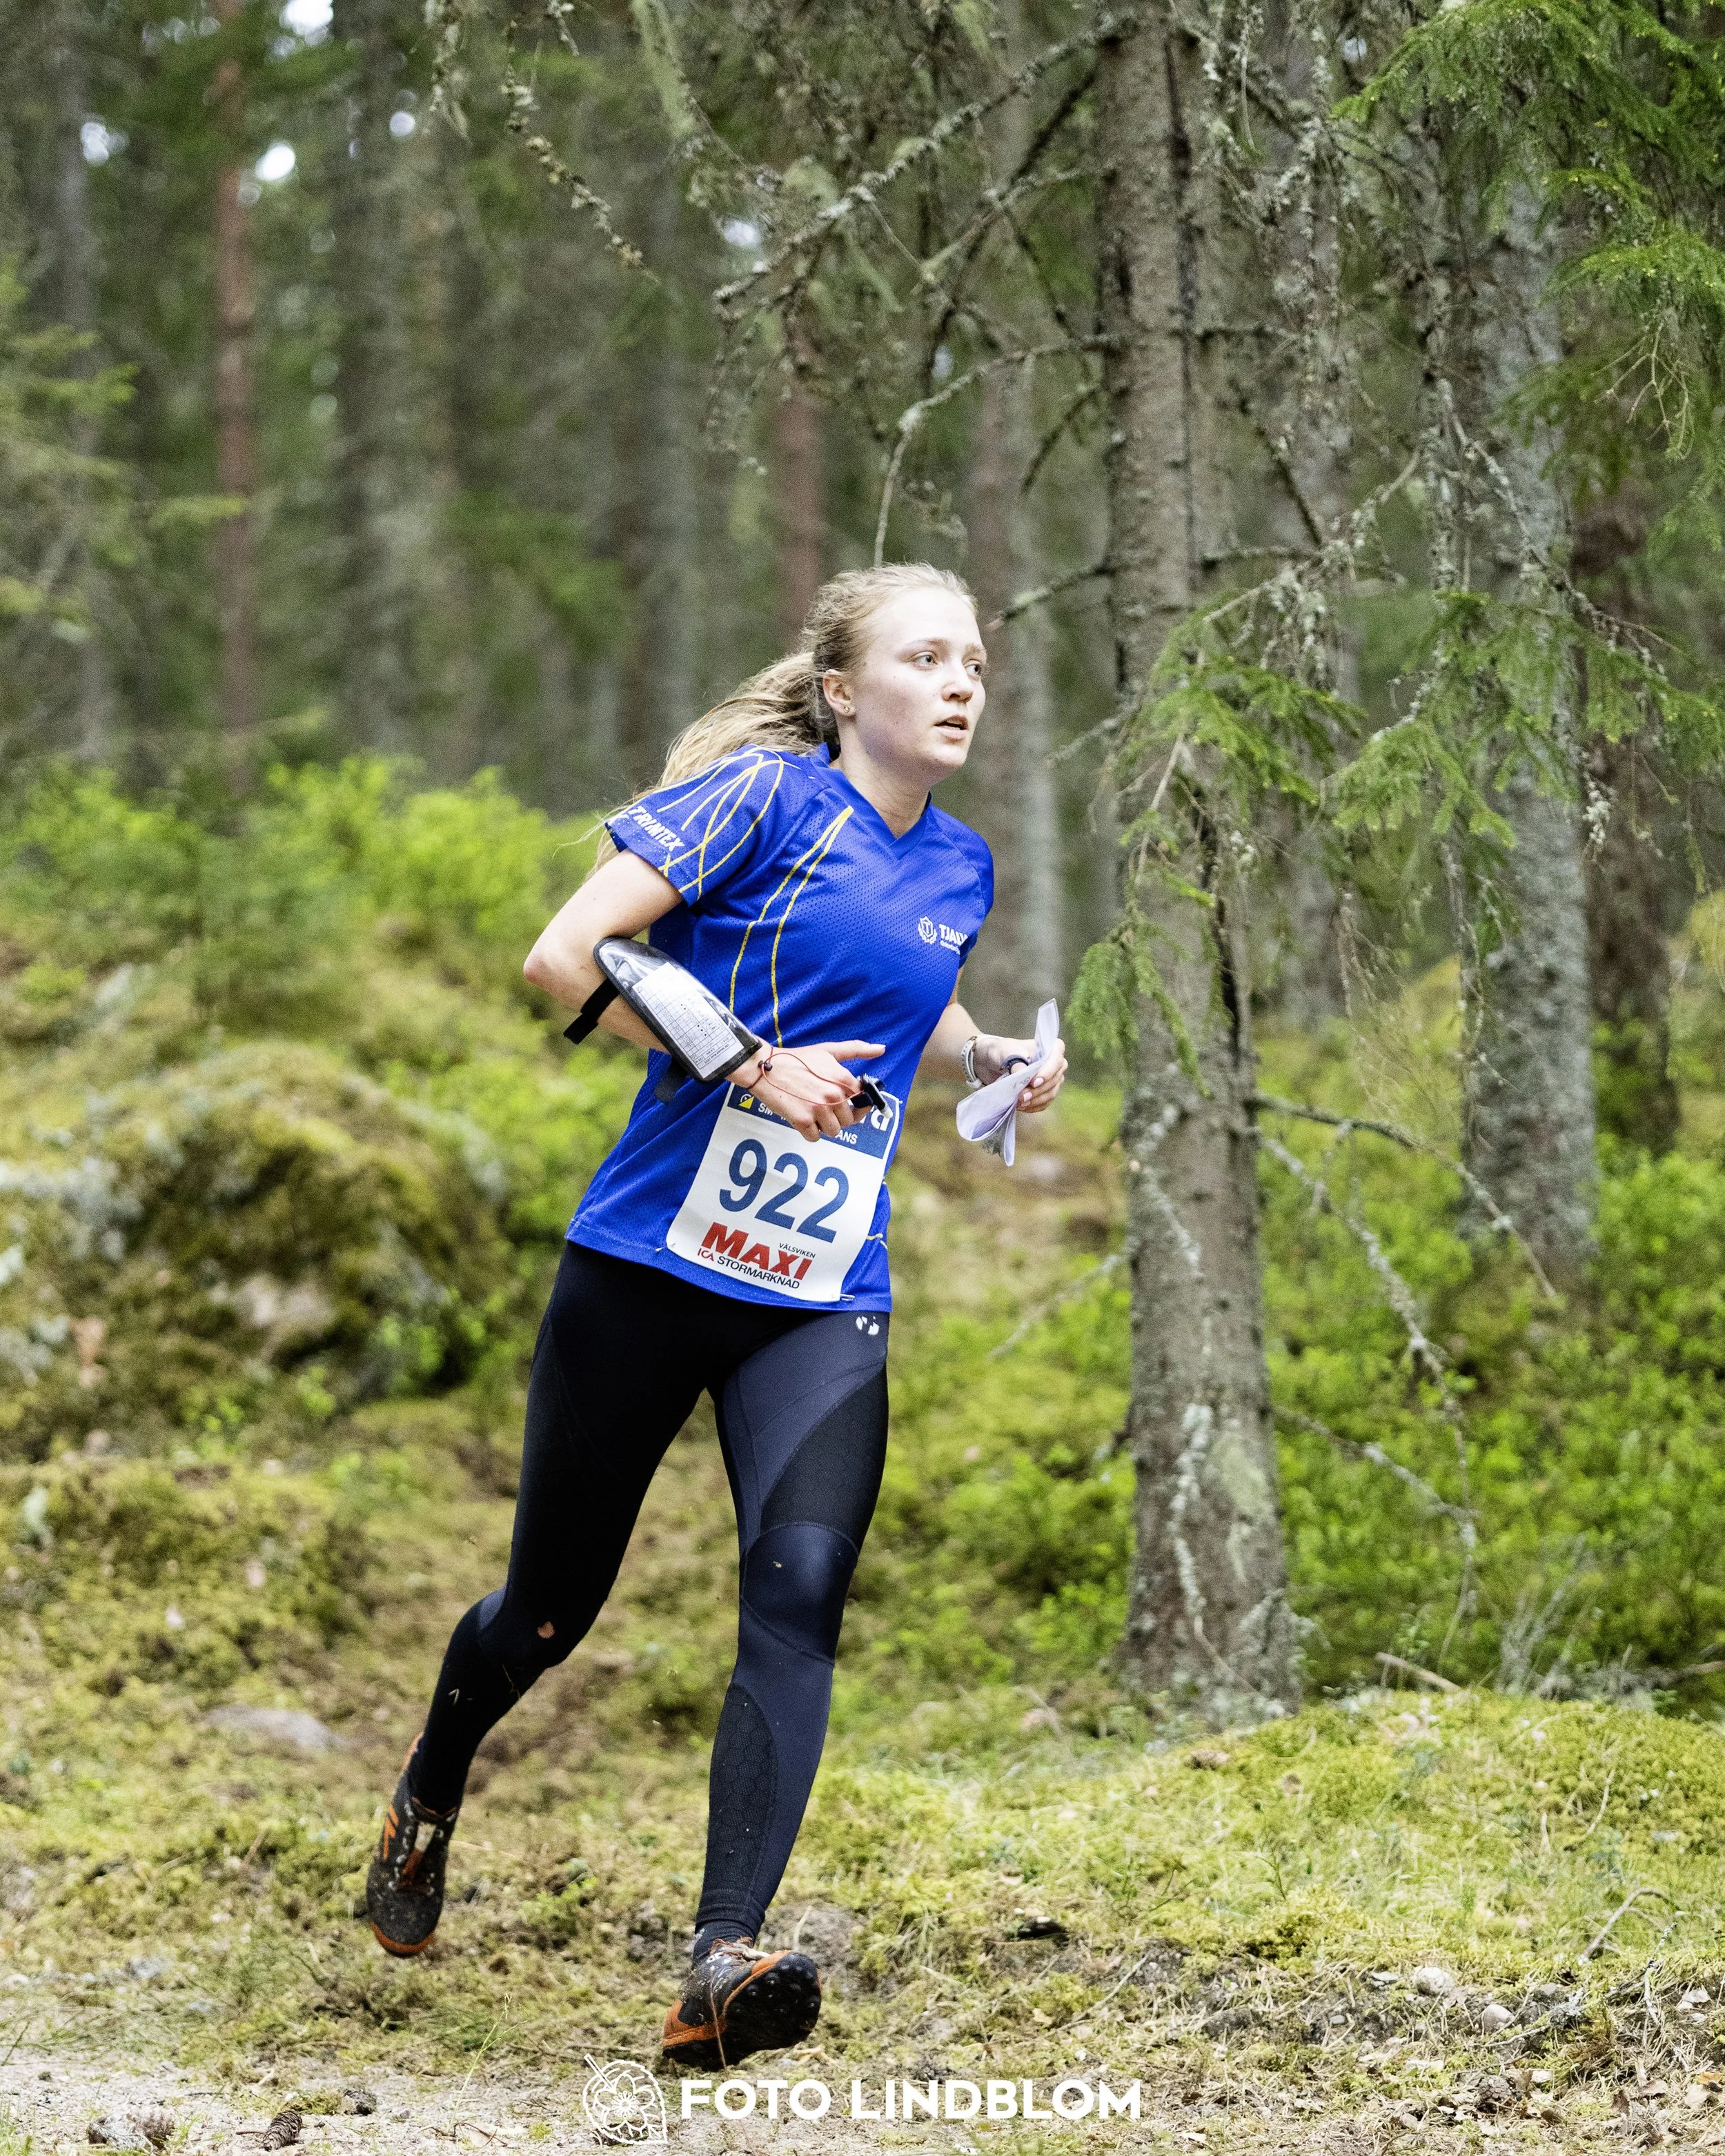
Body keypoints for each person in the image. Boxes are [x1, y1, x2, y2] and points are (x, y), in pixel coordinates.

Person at [362, 562, 1068, 2070]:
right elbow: (567, 958)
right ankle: (429, 1781)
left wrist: (982, 1052)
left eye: (976, 662)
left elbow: (900, 994)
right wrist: (749, 1066)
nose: (961, 683)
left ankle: (719, 1957)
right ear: (841, 692)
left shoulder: (960, 865)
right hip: (646, 1267)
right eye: (927, 657)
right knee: (546, 1611)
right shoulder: (753, 801)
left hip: (819, 1291)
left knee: (800, 1585)